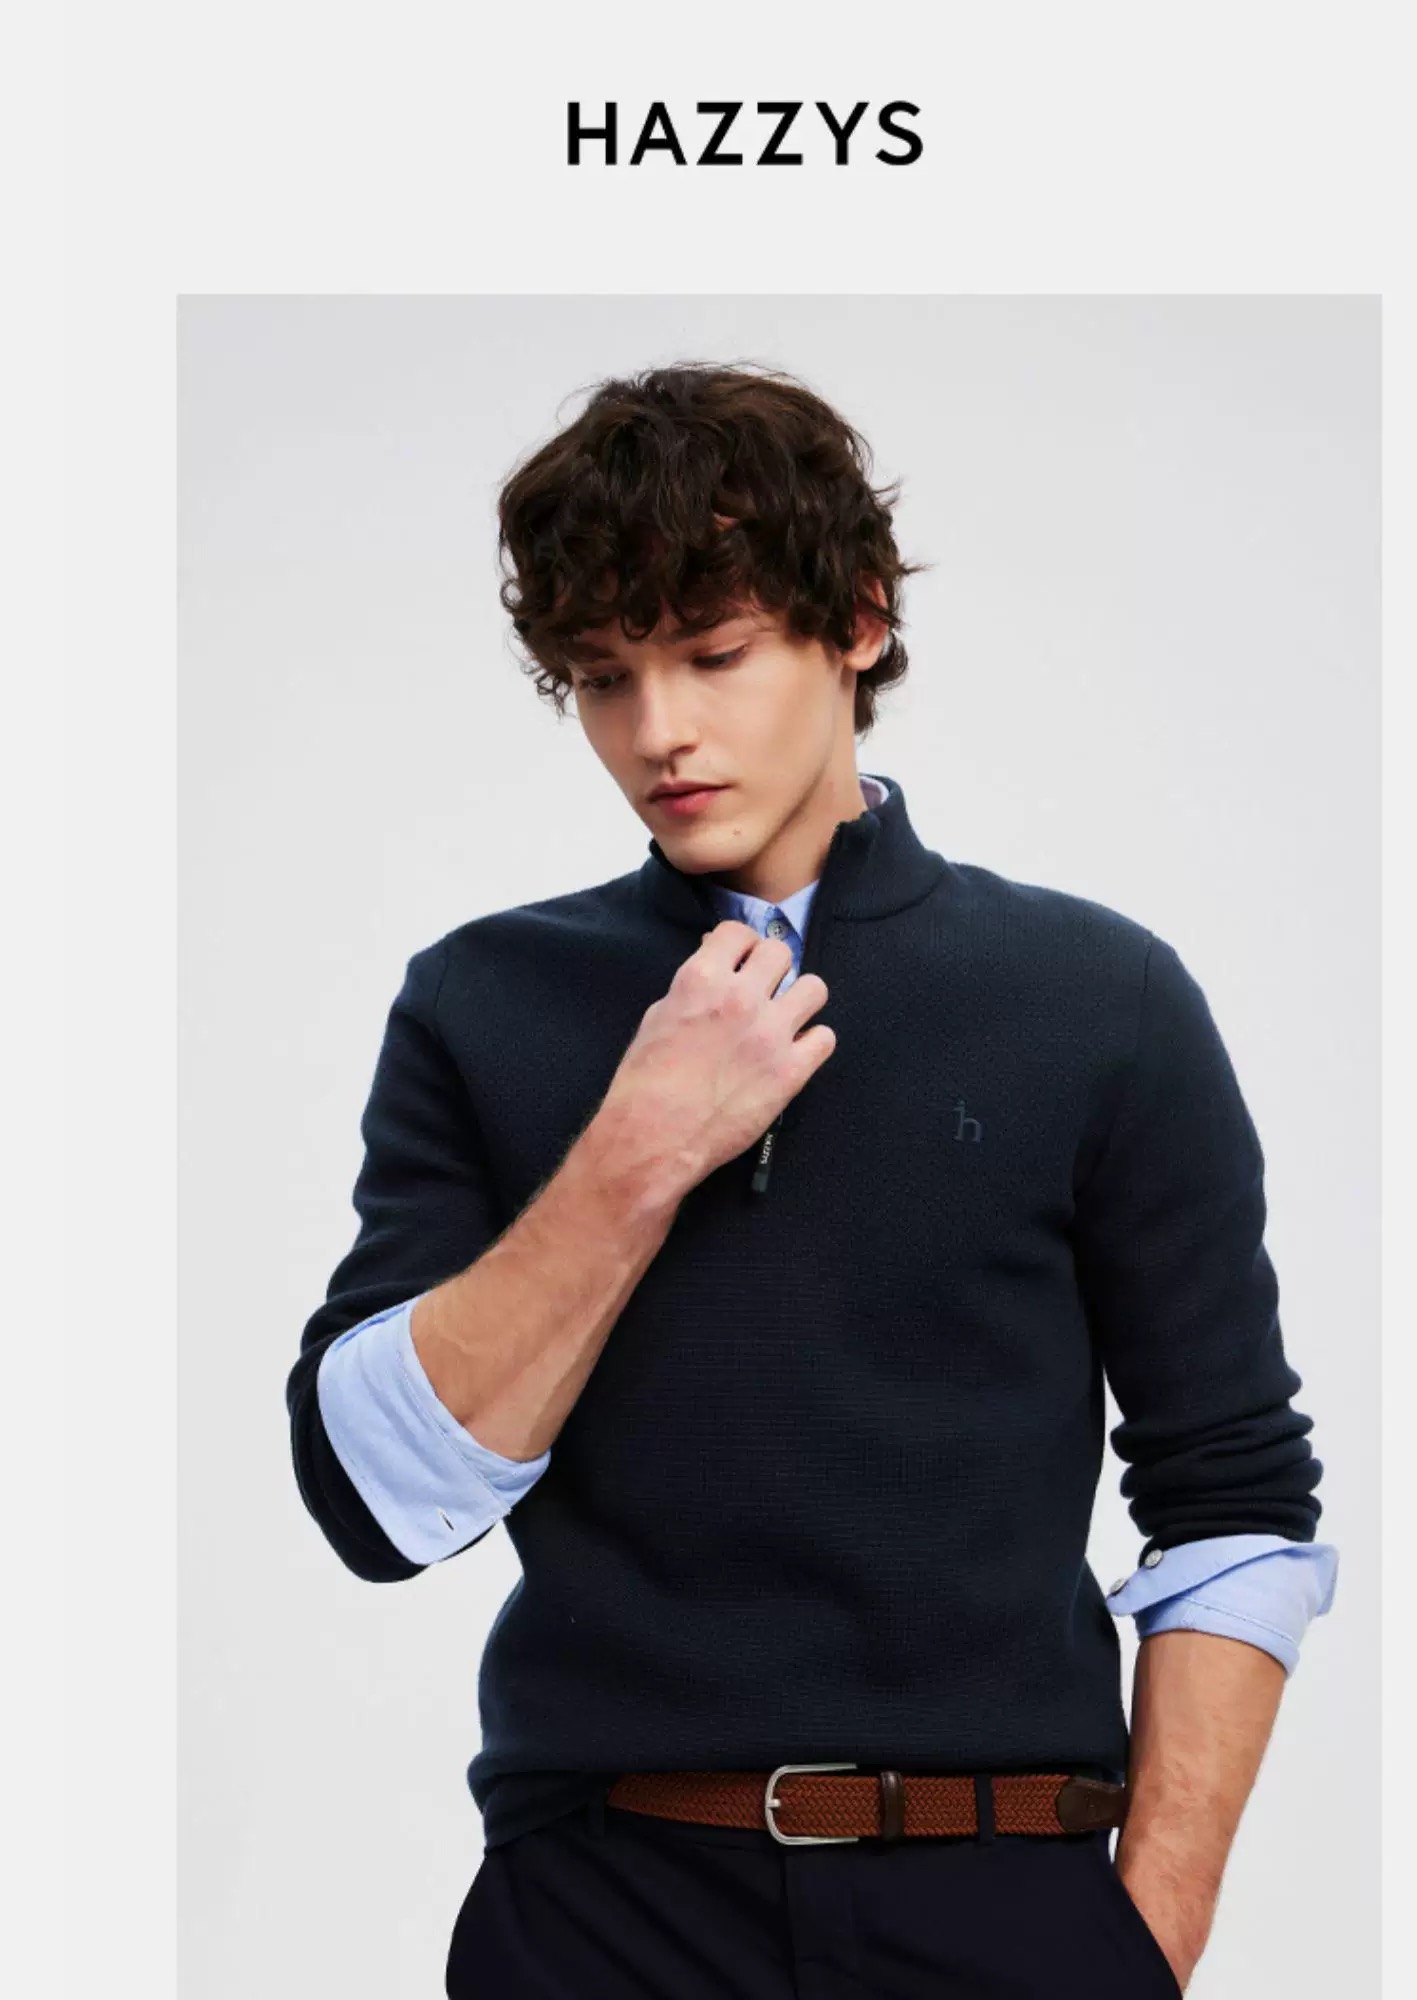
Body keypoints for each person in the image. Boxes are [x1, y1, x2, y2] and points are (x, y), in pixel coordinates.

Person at [286, 362, 1339, 1997]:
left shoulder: (1097, 998)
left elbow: (1235, 1500)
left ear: (855, 621)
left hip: (1005, 1902)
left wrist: (1145, 1939)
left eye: (713, 655)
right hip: (602, 1915)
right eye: (604, 677)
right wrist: (635, 1154)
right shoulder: (481, 1004)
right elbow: (371, 1498)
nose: (658, 732)